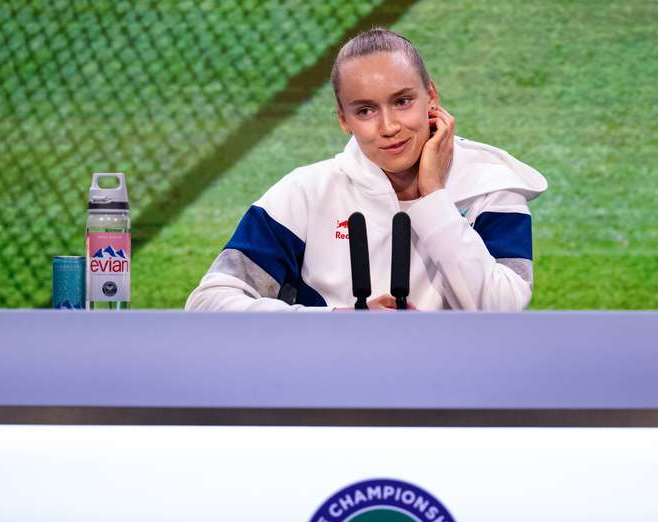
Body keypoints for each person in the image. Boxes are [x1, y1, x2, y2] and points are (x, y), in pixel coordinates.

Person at [185, 28, 546, 311]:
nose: (388, 126)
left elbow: (502, 311)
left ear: (431, 96)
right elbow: (208, 303)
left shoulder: (489, 186)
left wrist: (433, 196)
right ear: (344, 119)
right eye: (365, 111)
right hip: (331, 393)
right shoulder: (307, 192)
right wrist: (339, 321)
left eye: (402, 101)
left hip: (450, 395)